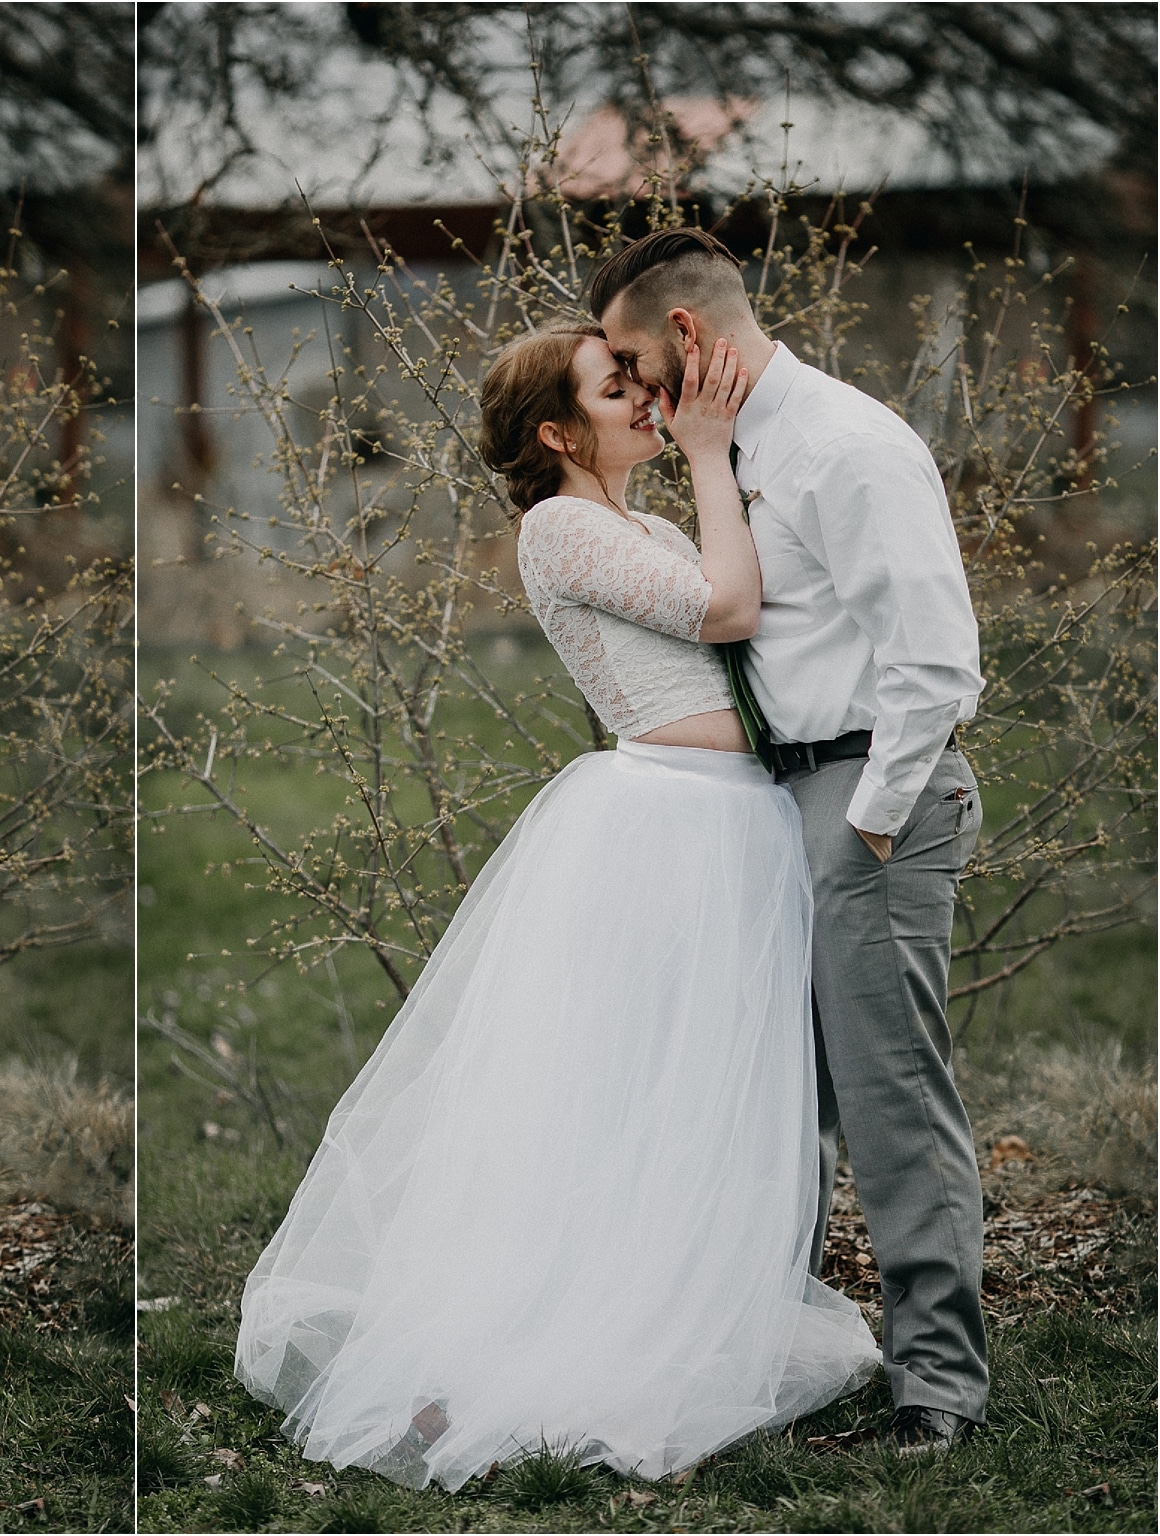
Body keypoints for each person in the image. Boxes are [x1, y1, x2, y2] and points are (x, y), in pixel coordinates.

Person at [234, 321, 879, 1488]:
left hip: (735, 818)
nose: (644, 399)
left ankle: (667, 1312)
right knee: (626, 1092)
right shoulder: (561, 524)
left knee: (697, 1096)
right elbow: (725, 614)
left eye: (639, 380)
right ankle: (556, 1349)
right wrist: (707, 447)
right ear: (555, 429)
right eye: (613, 387)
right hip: (666, 825)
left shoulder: (647, 522)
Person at [591, 228, 987, 1454]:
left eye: (623, 355)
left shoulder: (844, 447)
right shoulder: (739, 445)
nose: (621, 379)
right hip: (789, 798)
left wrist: (865, 829)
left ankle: (936, 1396)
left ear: (686, 337)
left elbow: (934, 664)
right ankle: (768, 1356)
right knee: (774, 1099)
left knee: (885, 1097)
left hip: (872, 791)